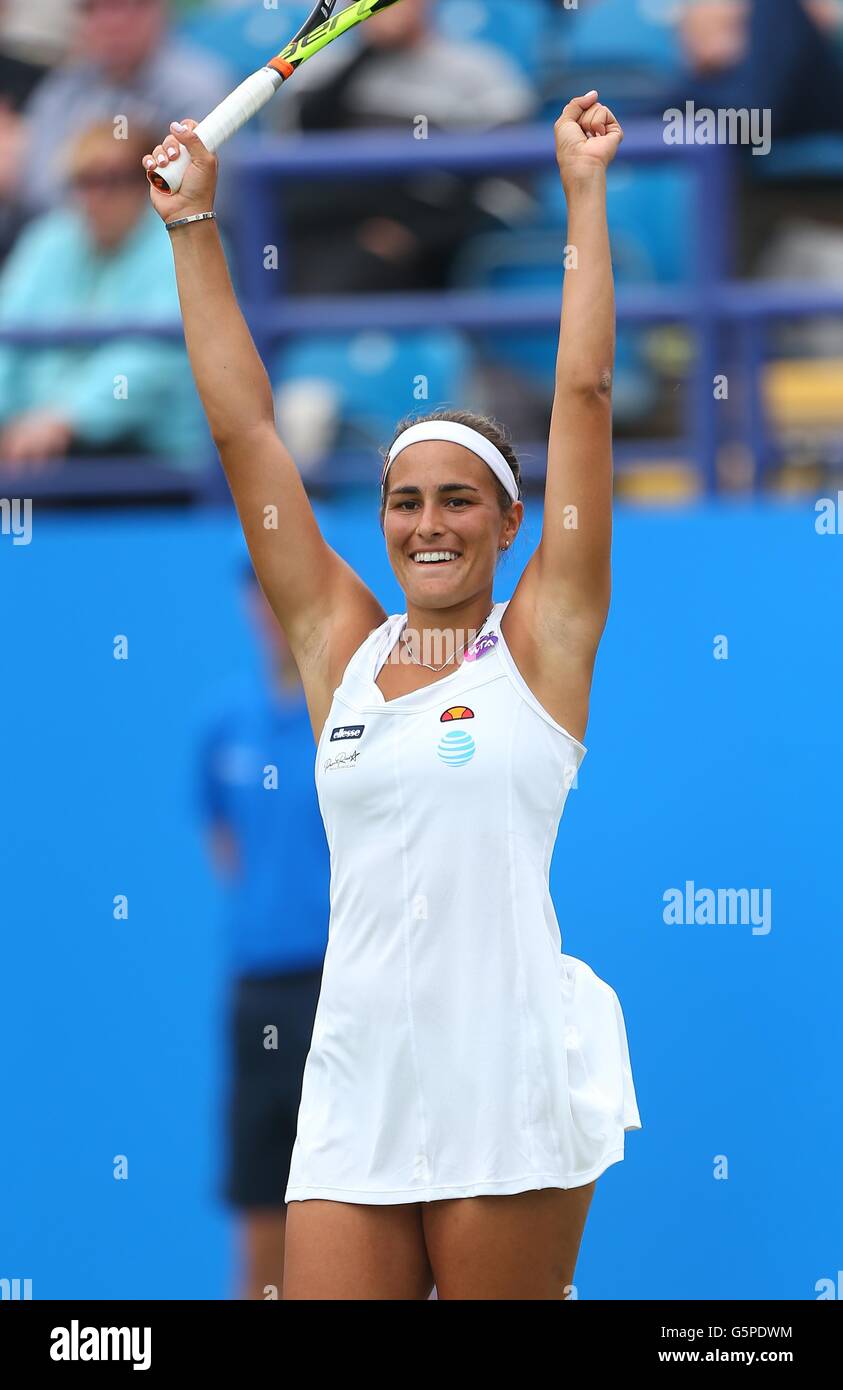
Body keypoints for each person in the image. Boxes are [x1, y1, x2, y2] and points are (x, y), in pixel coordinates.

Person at [141, 88, 642, 1301]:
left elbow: (580, 401)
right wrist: (192, 227)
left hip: (506, 1070)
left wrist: (583, 195)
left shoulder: (545, 643)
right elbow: (248, 432)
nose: (428, 523)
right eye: (405, 501)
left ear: (511, 522)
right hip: (357, 1079)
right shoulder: (339, 646)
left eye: (458, 499)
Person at [199, 564, 329, 1301]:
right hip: (256, 999)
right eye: (257, 591)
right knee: (259, 1235)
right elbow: (224, 845)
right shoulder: (221, 722)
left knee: (382, 1223)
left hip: (344, 995)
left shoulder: (349, 713)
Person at [268, 0, 536, 295]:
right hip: (331, 232)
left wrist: (415, 235)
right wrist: (368, 52)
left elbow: (507, 193)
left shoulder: (481, 74)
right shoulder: (320, 70)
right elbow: (299, 161)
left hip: (433, 244)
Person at [0, 121, 204, 469]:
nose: (97, 196)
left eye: (113, 179)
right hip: (40, 447)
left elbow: (150, 363)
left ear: (148, 183)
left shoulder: (185, 241)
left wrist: (64, 419)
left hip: (153, 454)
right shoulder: (49, 240)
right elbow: (8, 338)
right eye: (84, 181)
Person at [0, 0, 230, 220]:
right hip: (69, 245)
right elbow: (35, 190)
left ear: (160, 10)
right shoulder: (64, 87)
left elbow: (207, 199)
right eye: (91, 8)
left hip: (165, 244)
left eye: (124, 5)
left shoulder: (198, 88)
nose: (110, 22)